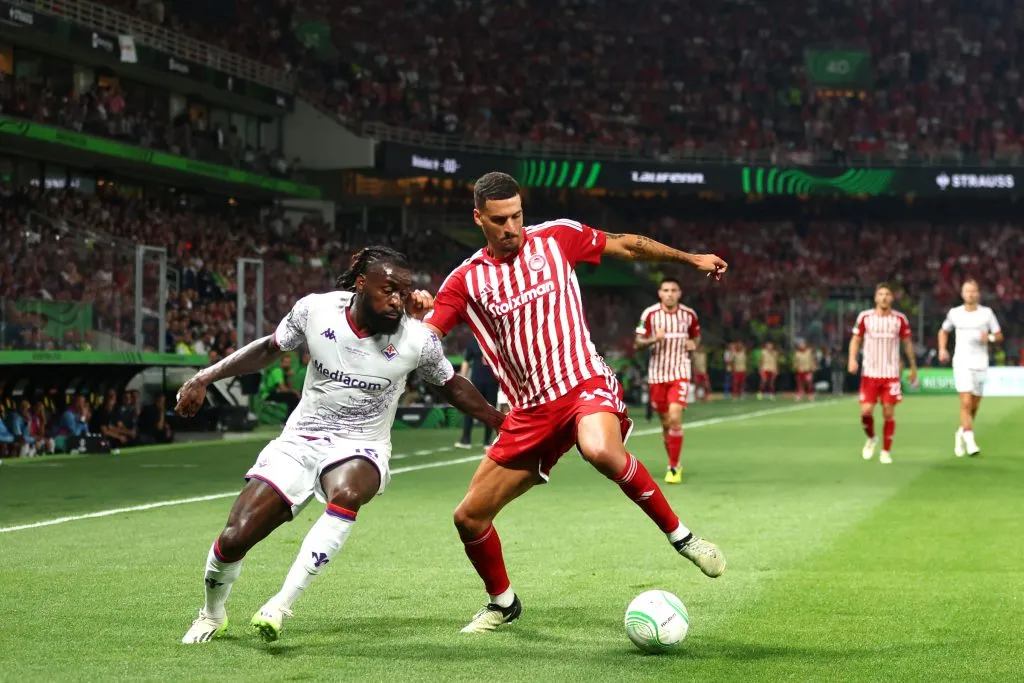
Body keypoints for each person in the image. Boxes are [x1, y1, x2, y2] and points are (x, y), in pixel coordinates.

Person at [423, 172, 728, 634]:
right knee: (469, 517)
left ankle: (683, 538)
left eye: (518, 216)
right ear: (479, 218)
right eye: (500, 220)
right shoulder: (465, 280)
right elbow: (428, 341)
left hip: (583, 381)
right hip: (530, 411)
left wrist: (689, 259)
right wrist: (410, 317)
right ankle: (503, 604)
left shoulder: (556, 238)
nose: (512, 227)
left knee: (600, 450)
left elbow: (630, 246)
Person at [178, 246, 505, 645]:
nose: (398, 301)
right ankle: (212, 614)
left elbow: (451, 385)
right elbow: (268, 348)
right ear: (362, 284)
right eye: (389, 290)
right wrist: (204, 377)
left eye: (404, 291)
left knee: (348, 492)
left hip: (362, 444)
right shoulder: (315, 311)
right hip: (301, 438)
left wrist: (499, 420)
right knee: (235, 537)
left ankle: (280, 603)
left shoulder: (417, 339)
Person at [634, 278, 700, 484]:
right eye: (666, 290)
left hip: (680, 371)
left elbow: (696, 337)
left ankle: (673, 466)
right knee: (665, 423)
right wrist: (654, 339)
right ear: (659, 293)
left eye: (674, 290)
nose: (670, 293)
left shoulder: (689, 315)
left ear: (680, 293)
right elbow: (637, 343)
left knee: (674, 418)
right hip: (657, 375)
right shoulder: (649, 314)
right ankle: (673, 460)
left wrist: (693, 344)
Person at [848, 283, 918, 464]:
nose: (884, 297)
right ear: (875, 298)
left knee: (888, 413)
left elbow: (907, 343)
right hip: (870, 373)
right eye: (881, 294)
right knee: (866, 412)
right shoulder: (865, 317)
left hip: (891, 374)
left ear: (892, 298)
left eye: (887, 294)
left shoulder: (900, 319)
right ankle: (871, 438)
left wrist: (913, 366)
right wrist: (852, 359)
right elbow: (856, 339)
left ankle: (886, 451)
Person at [937, 279, 1003, 457]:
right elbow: (943, 331)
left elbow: (998, 335)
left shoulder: (987, 313)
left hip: (980, 363)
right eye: (967, 291)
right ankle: (971, 442)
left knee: (974, 406)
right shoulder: (954, 313)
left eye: (973, 291)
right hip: (962, 362)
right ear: (962, 294)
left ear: (978, 294)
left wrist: (988, 338)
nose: (971, 294)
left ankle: (962, 433)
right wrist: (942, 349)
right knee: (965, 402)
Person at [455, 337, 500, 449]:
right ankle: (466, 439)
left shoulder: (497, 342)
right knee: (470, 409)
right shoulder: (474, 341)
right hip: (476, 383)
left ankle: (487, 441)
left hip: (492, 382)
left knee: (491, 410)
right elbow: (466, 360)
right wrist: (463, 379)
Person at [261, 354, 301, 420]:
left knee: (294, 397)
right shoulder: (277, 371)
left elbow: (290, 388)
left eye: (289, 363)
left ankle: (292, 419)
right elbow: (282, 389)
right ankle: (287, 421)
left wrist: (289, 377)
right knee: (292, 396)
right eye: (285, 362)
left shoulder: (285, 373)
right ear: (281, 363)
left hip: (278, 393)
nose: (287, 364)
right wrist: (295, 392)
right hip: (269, 395)